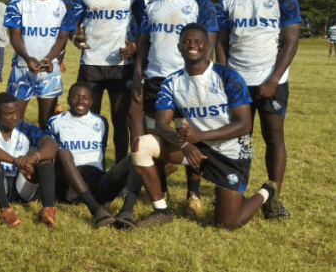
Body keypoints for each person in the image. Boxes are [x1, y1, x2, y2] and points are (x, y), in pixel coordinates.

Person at [115, 24, 273, 229]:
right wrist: (185, 145)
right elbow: (162, 125)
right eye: (187, 41)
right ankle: (161, 211)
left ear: (208, 46)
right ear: (179, 47)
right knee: (141, 145)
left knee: (227, 224)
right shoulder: (172, 82)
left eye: (198, 41)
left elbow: (244, 125)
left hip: (230, 151)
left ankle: (266, 191)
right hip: (195, 147)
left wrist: (201, 136)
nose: (192, 45)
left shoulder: (228, 77)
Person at [215, 0, 301, 219]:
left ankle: (273, 197)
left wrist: (273, 79)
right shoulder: (228, 0)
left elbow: (290, 42)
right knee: (238, 139)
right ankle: (235, 192)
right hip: (239, 82)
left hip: (271, 82)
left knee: (273, 137)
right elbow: (220, 42)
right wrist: (226, 76)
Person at [130, 0, 218, 217]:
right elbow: (143, 42)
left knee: (190, 135)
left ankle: (193, 194)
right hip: (155, 80)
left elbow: (208, 44)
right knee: (155, 137)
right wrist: (138, 74)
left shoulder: (200, 3)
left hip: (186, 81)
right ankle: (162, 190)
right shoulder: (153, 5)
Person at [55, 0, 145, 163]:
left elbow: (145, 25)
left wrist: (134, 46)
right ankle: (91, 164)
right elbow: (71, 24)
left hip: (121, 66)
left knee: (120, 120)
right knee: (87, 119)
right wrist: (75, 36)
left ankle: (120, 168)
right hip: (91, 65)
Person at [48, 82, 134, 227]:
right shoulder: (55, 121)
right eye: (76, 97)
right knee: (63, 154)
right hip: (70, 181)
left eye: (85, 98)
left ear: (91, 101)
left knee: (136, 157)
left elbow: (101, 153)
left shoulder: (100, 121)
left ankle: (126, 212)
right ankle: (95, 210)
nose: (80, 101)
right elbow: (51, 157)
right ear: (68, 100)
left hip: (96, 179)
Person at [4, 0, 75, 128]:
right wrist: (28, 58)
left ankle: (44, 155)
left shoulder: (65, 4)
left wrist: (49, 58)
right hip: (22, 68)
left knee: (47, 121)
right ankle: (17, 153)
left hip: (49, 69)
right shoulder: (16, 3)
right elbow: (15, 36)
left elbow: (62, 38)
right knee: (14, 120)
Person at [0, 92, 59, 228]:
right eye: (8, 114)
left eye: (16, 112)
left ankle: (48, 208)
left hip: (20, 185)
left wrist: (33, 157)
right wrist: (15, 161)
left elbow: (52, 146)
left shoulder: (26, 128)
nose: (14, 118)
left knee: (44, 159)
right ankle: (5, 210)